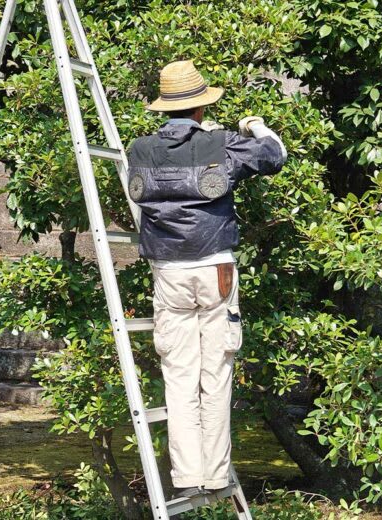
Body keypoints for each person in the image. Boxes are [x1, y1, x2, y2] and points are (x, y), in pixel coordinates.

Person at [127, 59, 287, 498]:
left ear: (164, 108)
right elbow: (275, 154)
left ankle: (186, 476)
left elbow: (142, 195)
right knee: (215, 374)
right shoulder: (222, 143)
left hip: (168, 271)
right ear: (200, 108)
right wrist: (252, 125)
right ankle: (215, 475)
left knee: (178, 376)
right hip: (215, 268)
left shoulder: (140, 149)